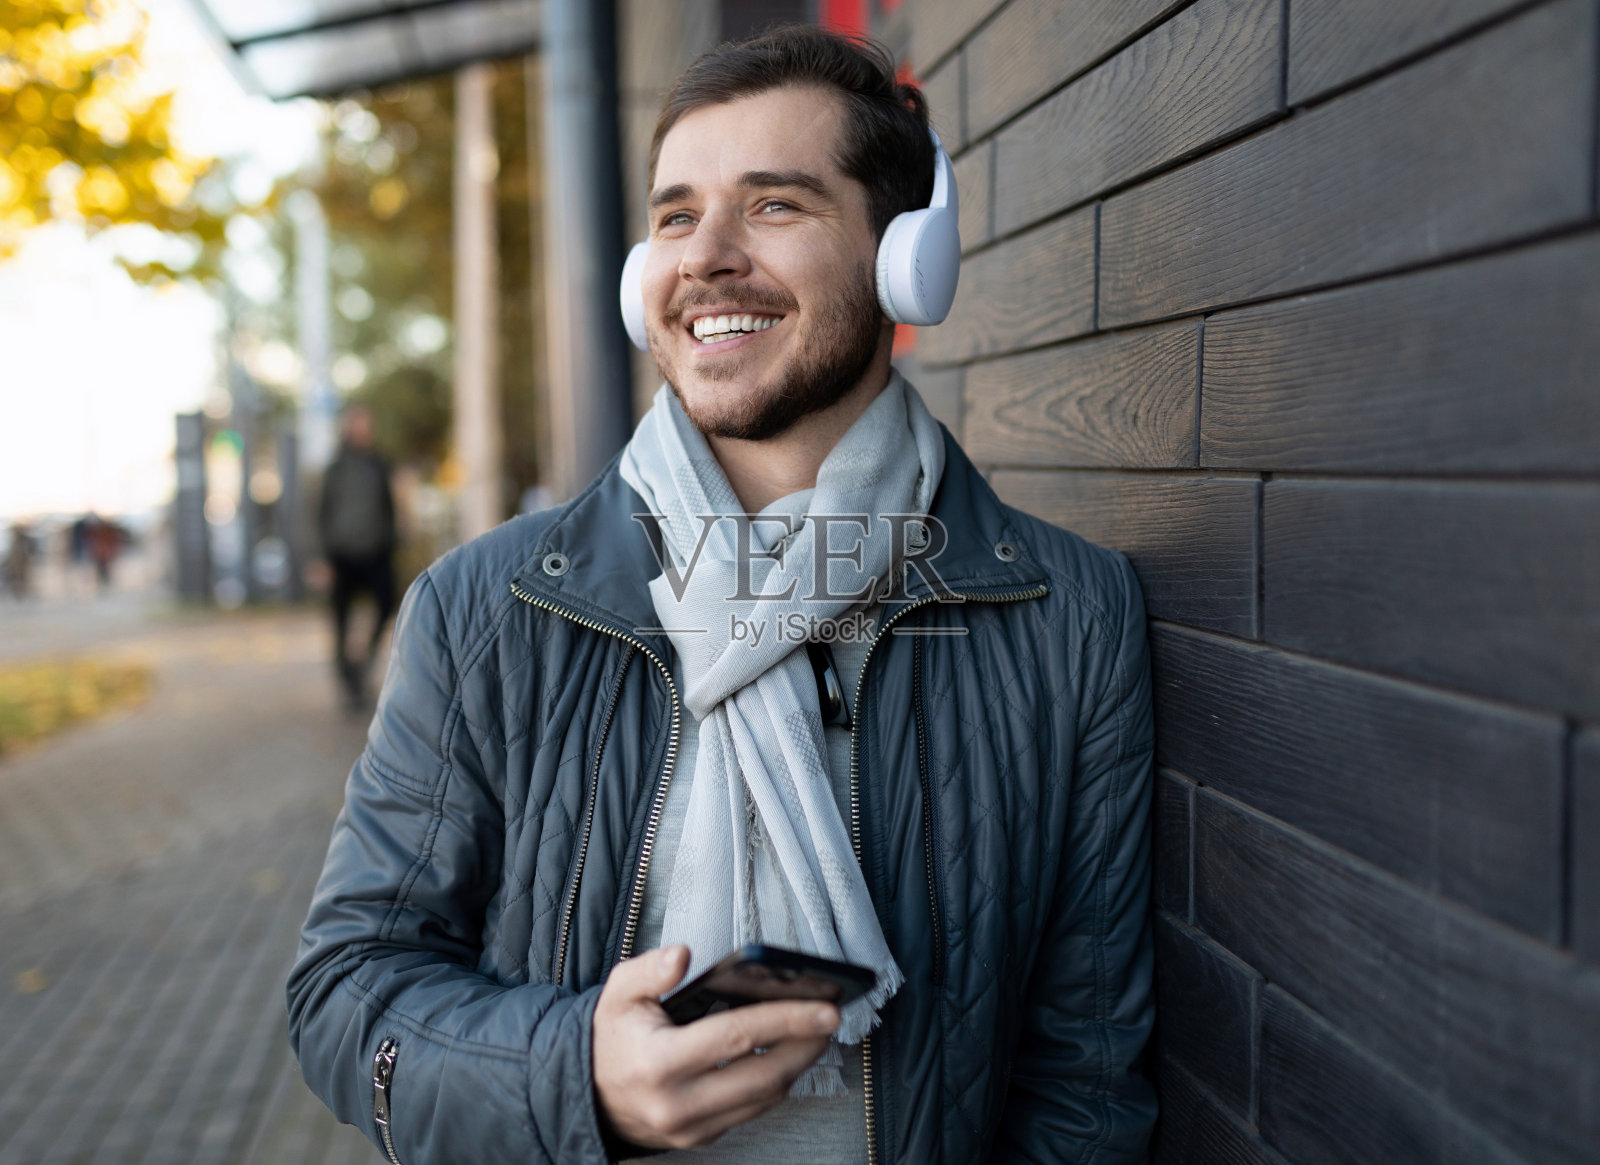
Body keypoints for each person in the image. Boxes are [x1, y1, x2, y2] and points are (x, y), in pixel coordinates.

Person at [289, 25, 1155, 1163]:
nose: (706, 257)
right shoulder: (486, 607)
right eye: (675, 215)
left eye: (774, 205)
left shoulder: (1065, 616)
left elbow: (1084, 1077)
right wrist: (571, 1074)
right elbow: (348, 991)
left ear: (907, 260)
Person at [316, 403, 398, 709]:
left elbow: (388, 507)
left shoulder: (380, 464)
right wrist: (320, 557)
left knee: (387, 604)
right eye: (357, 422)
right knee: (340, 621)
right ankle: (347, 681)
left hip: (377, 552)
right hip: (341, 555)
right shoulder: (335, 468)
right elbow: (320, 512)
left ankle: (361, 666)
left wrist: (392, 542)